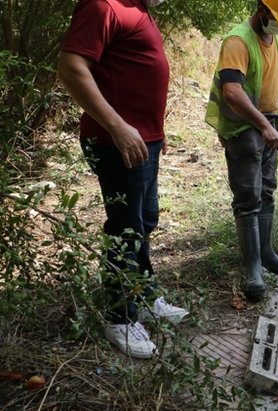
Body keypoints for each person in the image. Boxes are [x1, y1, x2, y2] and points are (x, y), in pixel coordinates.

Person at [58, 0, 188, 360]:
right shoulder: (103, 6)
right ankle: (119, 319)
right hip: (118, 143)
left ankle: (144, 298)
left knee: (144, 222)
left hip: (145, 141)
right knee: (125, 231)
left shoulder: (138, 8)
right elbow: (71, 68)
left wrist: (156, 133)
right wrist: (117, 127)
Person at [205, 0, 278, 302]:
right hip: (244, 129)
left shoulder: (272, 39)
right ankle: (253, 269)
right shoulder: (238, 41)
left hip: (268, 126)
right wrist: (263, 125)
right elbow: (232, 93)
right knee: (248, 198)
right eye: (276, 18)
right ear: (261, 10)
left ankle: (267, 253)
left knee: (267, 191)